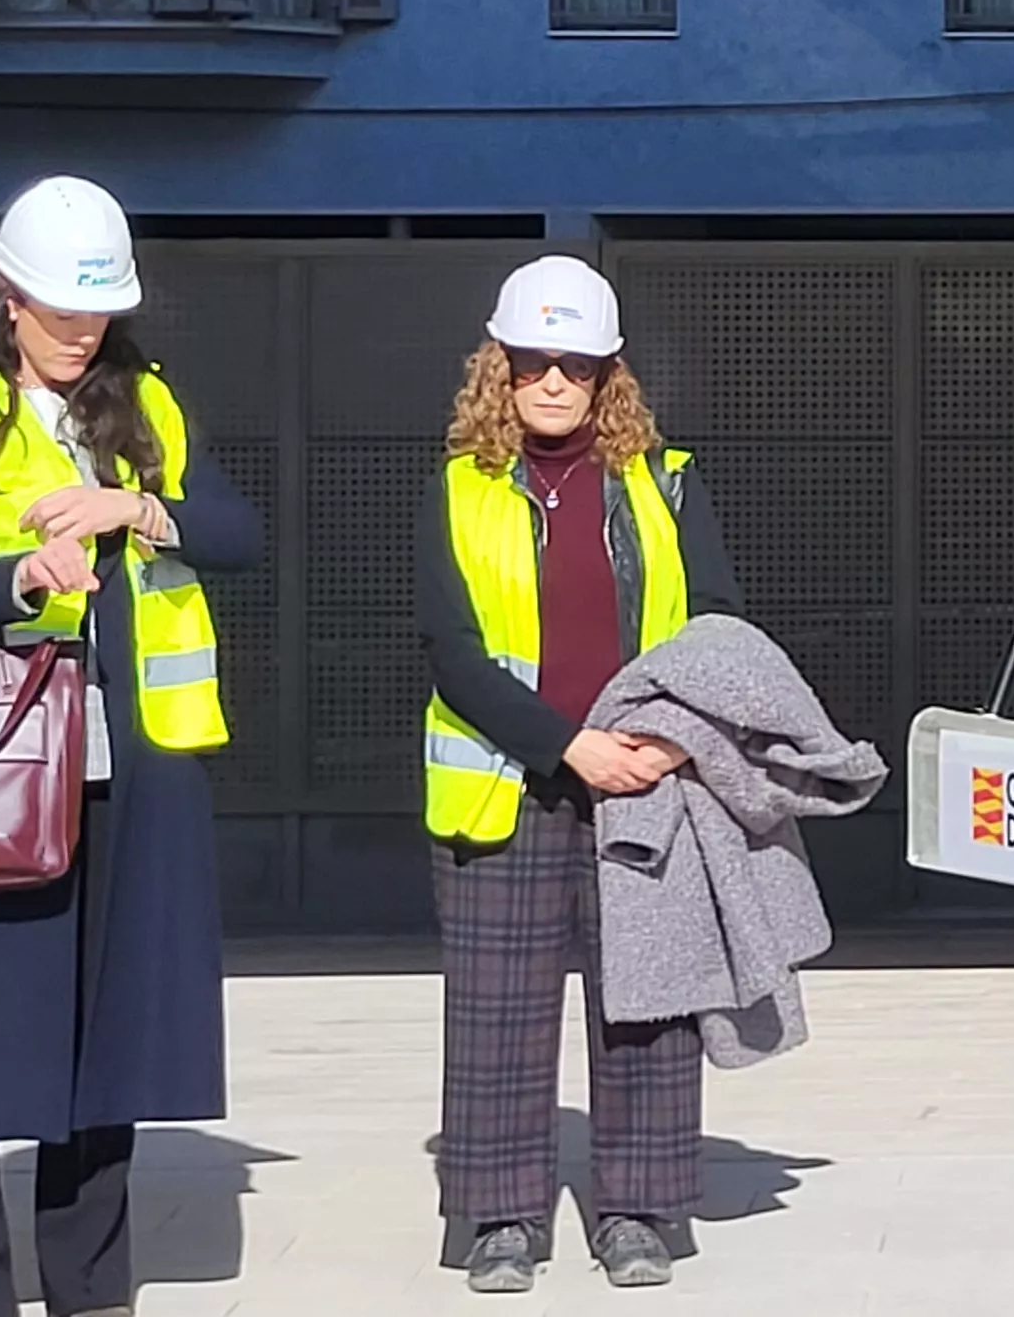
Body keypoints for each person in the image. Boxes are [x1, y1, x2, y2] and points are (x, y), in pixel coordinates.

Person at [0, 176, 266, 1317]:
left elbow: (236, 531)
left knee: (109, 1040)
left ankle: (91, 1288)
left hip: (129, 761)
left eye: (97, 313)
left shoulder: (145, 403)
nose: (81, 332)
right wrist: (24, 575)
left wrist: (133, 511)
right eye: (59, 311)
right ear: (7, 297)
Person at [417, 256, 742, 1293]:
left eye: (577, 364)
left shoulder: (667, 482)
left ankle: (639, 1211)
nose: (553, 382)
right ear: (498, 367)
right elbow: (454, 654)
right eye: (533, 362)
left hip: (647, 786)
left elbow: (718, 626)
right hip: (505, 790)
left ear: (609, 376)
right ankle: (501, 1220)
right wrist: (567, 745)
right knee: (496, 1015)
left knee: (645, 1007)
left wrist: (673, 741)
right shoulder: (457, 490)